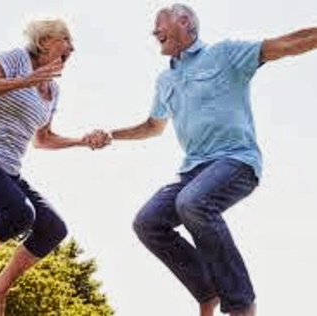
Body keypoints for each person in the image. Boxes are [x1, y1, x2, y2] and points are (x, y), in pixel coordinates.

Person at [94, 3, 317, 316]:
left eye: (160, 24)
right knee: (148, 222)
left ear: (185, 21)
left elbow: (284, 45)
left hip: (235, 160)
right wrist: (111, 134)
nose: (154, 31)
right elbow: (152, 127)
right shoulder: (165, 81)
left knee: (192, 203)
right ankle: (206, 289)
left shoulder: (225, 55)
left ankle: (241, 304)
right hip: (193, 171)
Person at [0, 19, 110, 316]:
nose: (72, 46)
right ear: (43, 42)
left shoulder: (53, 91)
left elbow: (43, 139)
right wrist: (27, 80)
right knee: (19, 213)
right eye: (65, 38)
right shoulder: (16, 59)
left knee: (52, 228)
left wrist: (83, 141)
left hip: (7, 169)